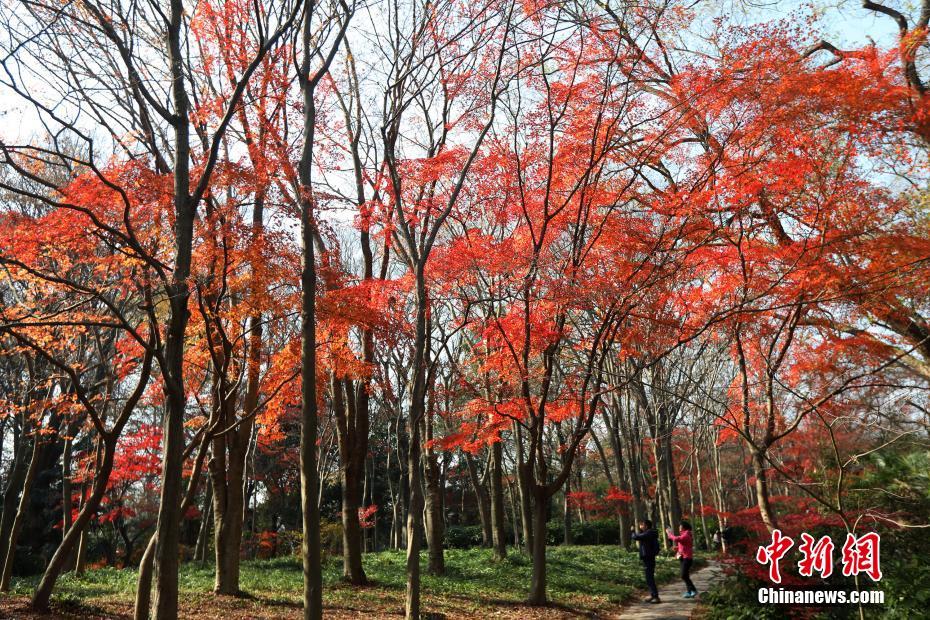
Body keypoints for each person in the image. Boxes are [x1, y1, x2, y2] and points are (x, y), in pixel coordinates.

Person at [631, 519, 661, 604]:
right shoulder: (649, 533)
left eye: (642, 525)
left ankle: (656, 596)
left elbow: (636, 537)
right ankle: (653, 595)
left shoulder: (649, 533)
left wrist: (633, 531)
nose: (640, 526)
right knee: (648, 578)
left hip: (649, 558)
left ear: (646, 526)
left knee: (649, 578)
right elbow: (640, 536)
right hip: (648, 557)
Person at [666, 519, 697, 598]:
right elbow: (685, 545)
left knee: (683, 575)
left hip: (687, 558)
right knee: (685, 575)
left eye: (680, 526)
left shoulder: (686, 534)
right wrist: (677, 548)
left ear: (684, 527)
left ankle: (693, 590)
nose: (679, 527)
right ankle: (689, 592)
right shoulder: (685, 534)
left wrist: (670, 534)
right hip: (683, 557)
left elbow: (677, 539)